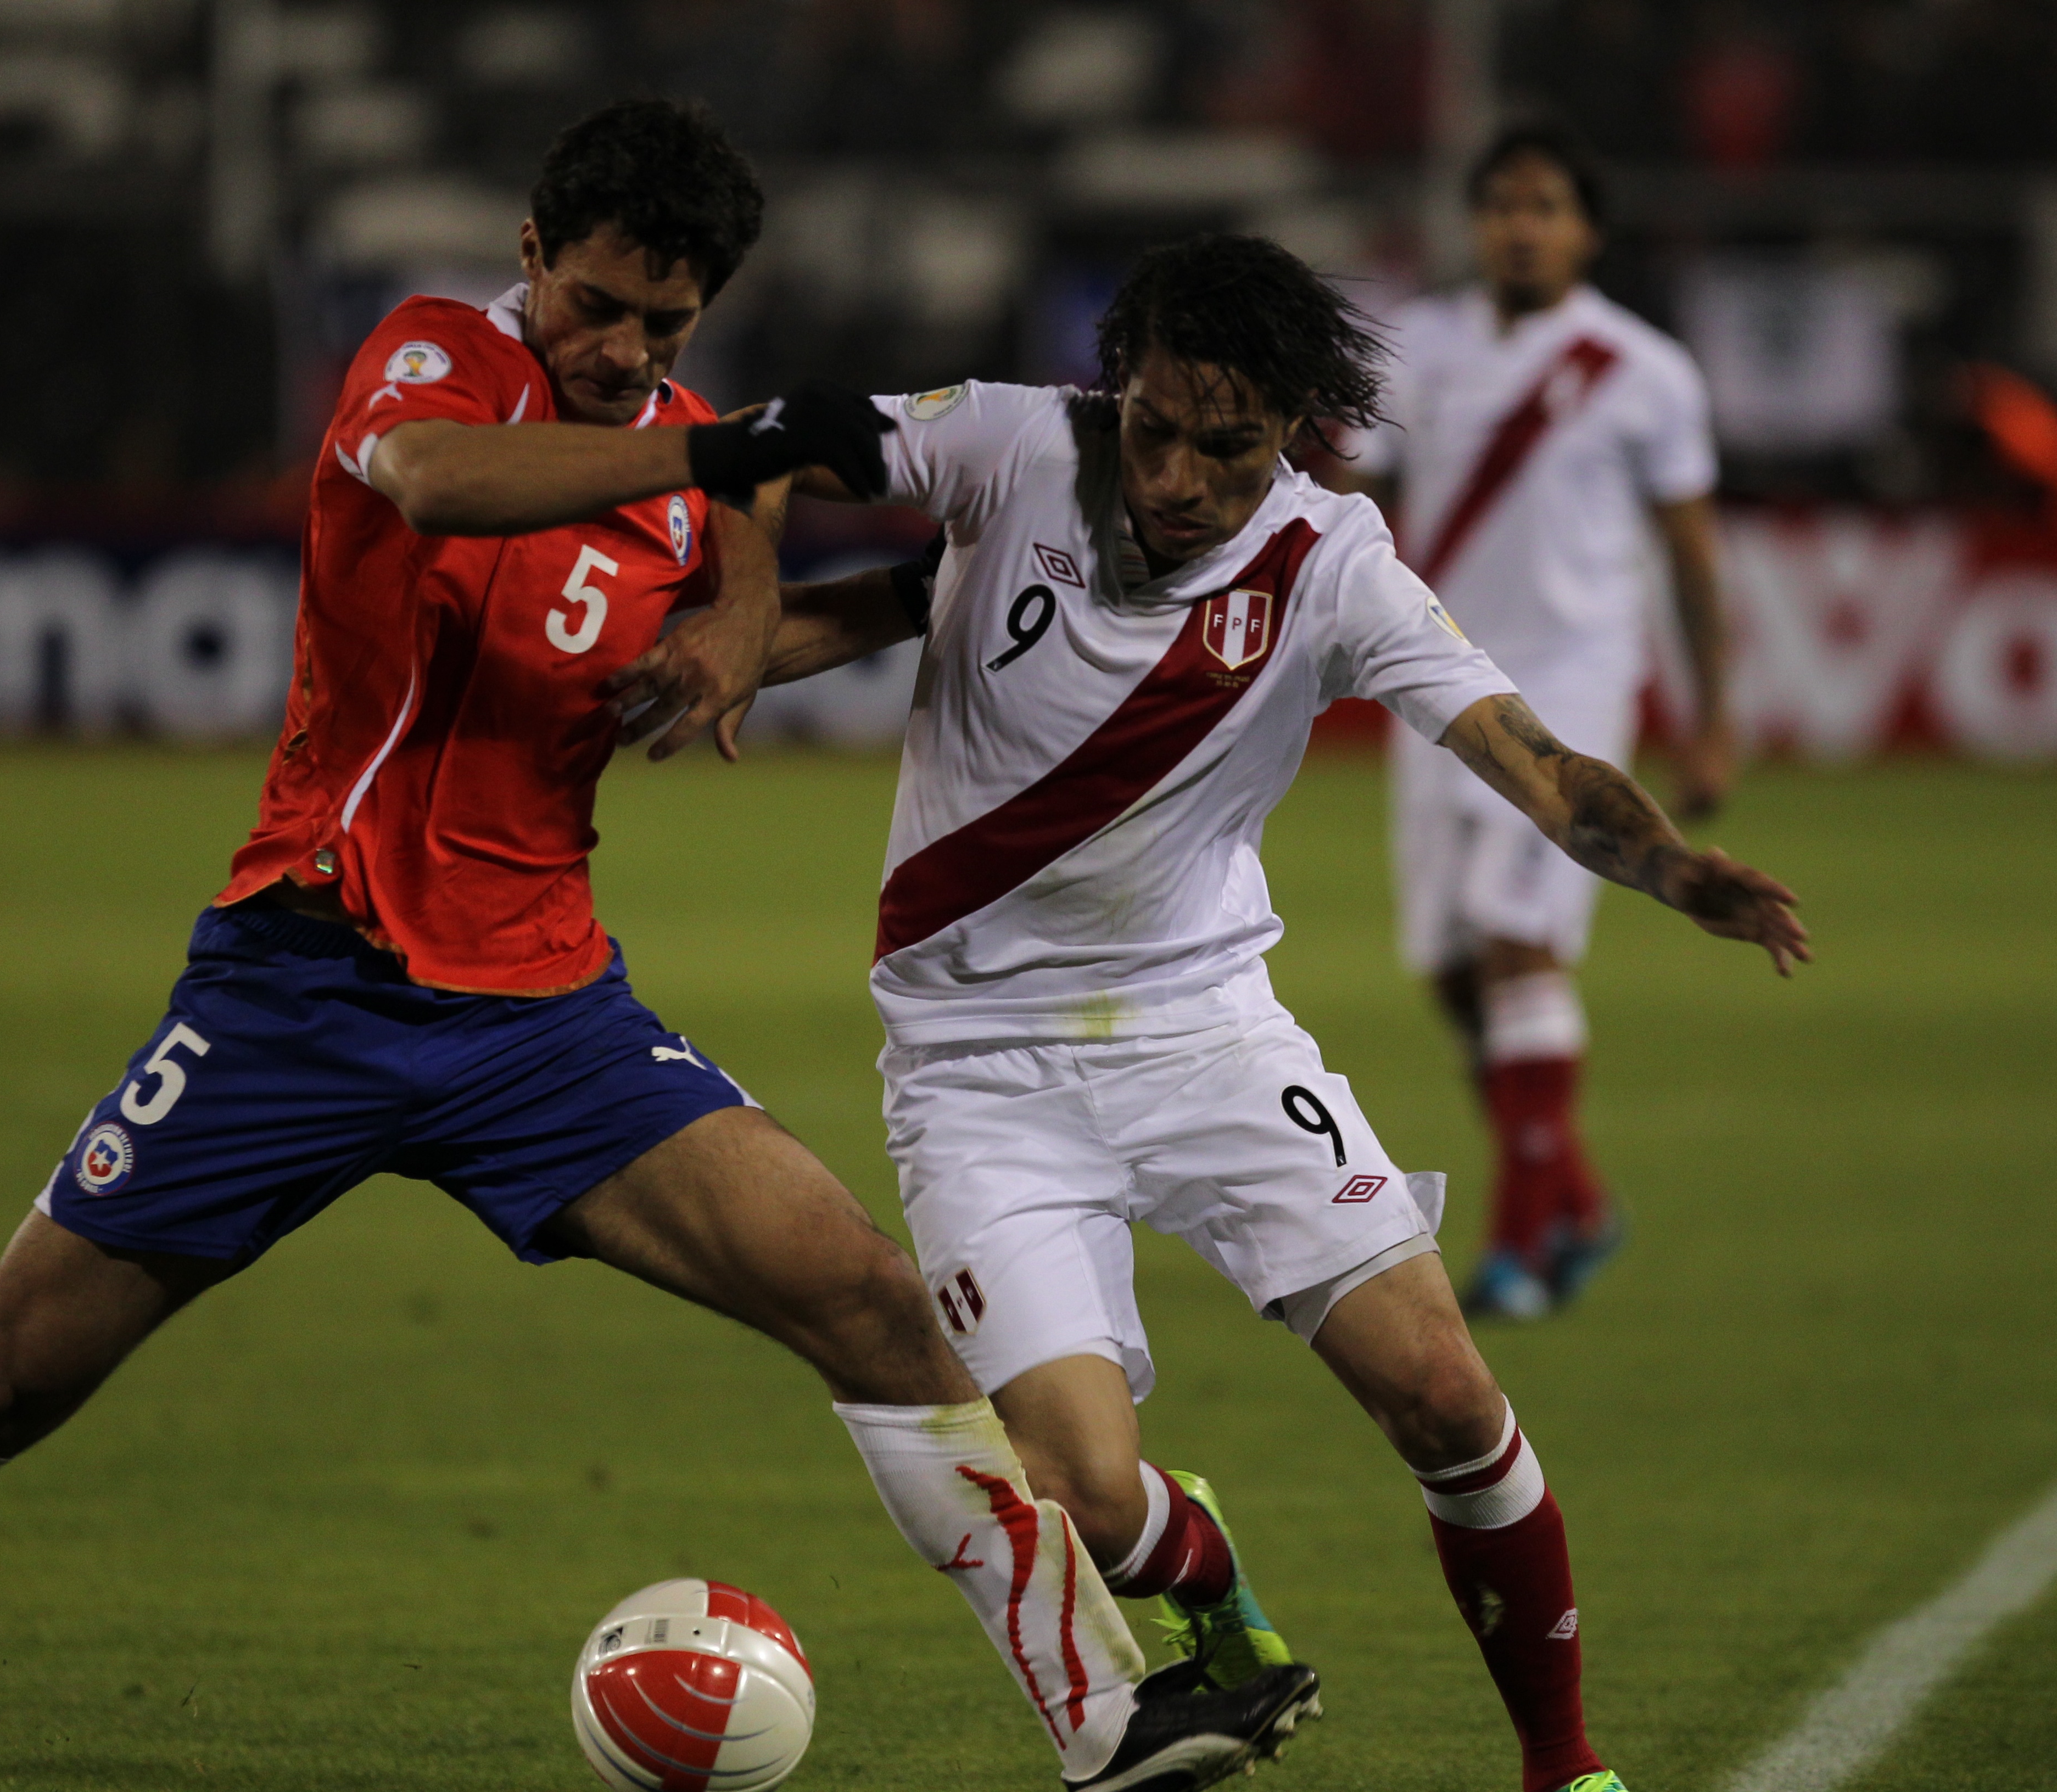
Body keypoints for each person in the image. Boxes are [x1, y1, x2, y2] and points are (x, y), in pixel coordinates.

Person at [0, 102, 1304, 1792]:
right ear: (532, 257)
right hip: (301, 986)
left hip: (546, 1016)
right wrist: (730, 457)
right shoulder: (436, 365)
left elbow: (740, 568)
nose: (622, 352)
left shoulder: (701, 461)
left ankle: (1109, 1720)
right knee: (2, 1382)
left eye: (667, 327)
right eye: (597, 306)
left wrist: (853, 602)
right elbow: (439, 485)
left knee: (869, 1301)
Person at [746, 232, 1807, 1792]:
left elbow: (1535, 760)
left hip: (1210, 1035)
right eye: (1155, 428)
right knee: (1090, 1506)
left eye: (1227, 448)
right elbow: (778, 435)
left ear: (1301, 428)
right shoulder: (1016, 443)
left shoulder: (1334, 567)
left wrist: (1665, 866)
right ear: (1118, 394)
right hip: (979, 1075)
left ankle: (1566, 1767)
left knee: (1448, 1397)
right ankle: (1199, 1567)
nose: (1176, 476)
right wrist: (732, 613)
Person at [1339, 122, 1737, 1320]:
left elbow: (1691, 558)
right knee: (1453, 973)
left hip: (1570, 691)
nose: (1521, 226)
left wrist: (1709, 717)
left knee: (1517, 942)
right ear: (1475, 223)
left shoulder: (1644, 370)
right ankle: (1580, 1198)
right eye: (1502, 206)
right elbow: (1355, 493)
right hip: (1443, 682)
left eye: (1546, 207)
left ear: (1588, 231)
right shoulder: (1422, 345)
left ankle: (1516, 1254)